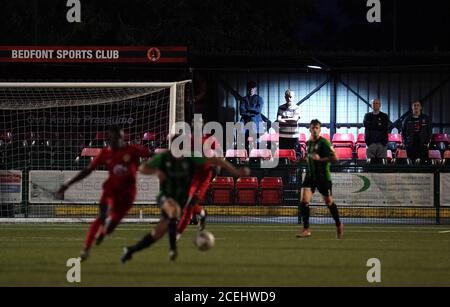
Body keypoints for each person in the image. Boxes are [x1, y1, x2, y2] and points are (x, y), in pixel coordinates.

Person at [121, 147, 250, 263]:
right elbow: (142, 168)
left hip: (179, 197)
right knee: (175, 211)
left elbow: (215, 160)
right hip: (165, 196)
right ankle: (173, 247)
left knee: (158, 233)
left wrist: (236, 172)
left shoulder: (191, 158)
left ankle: (130, 250)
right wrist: (156, 172)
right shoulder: (164, 157)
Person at [56, 126, 150, 261]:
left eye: (118, 138)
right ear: (109, 139)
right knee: (102, 216)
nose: (115, 142)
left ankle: (103, 233)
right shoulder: (105, 153)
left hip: (127, 196)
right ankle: (86, 249)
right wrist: (67, 185)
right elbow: (88, 170)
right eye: (111, 139)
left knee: (111, 226)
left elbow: (152, 155)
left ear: (122, 138)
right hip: (110, 192)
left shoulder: (133, 150)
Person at [297, 119, 343, 239]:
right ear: (310, 129)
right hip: (310, 176)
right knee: (304, 201)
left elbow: (336, 158)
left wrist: (320, 159)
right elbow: (310, 158)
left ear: (320, 129)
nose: (315, 130)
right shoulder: (308, 143)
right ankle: (306, 229)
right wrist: (305, 160)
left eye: (317, 128)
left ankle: (338, 224)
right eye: (313, 128)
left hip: (323, 177)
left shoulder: (324, 143)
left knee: (329, 202)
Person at [239, 81, 264, 150]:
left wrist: (248, 109)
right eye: (250, 88)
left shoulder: (259, 99)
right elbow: (242, 112)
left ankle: (256, 154)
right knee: (243, 139)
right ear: (247, 89)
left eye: (253, 88)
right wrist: (253, 111)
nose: (251, 89)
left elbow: (258, 110)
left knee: (256, 141)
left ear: (255, 89)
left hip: (256, 122)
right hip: (245, 122)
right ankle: (246, 154)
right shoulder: (243, 99)